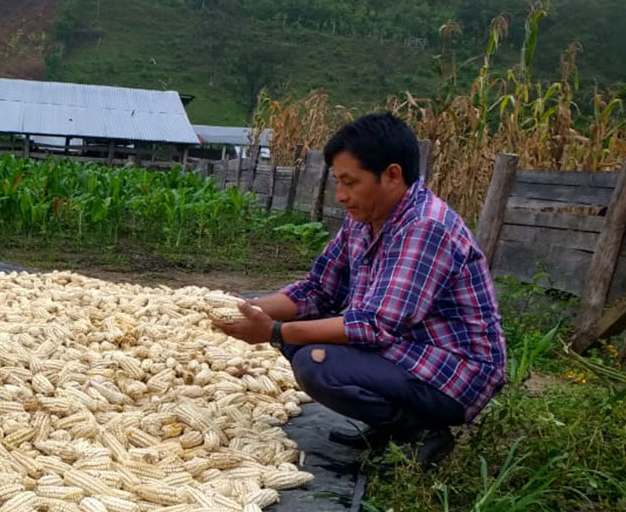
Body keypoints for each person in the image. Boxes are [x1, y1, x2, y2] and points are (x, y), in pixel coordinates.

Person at [213, 113, 506, 468]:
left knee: (316, 362)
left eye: (350, 183)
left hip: (452, 370)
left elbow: (374, 325)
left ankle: (424, 434)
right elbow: (318, 289)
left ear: (392, 175)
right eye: (338, 182)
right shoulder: (364, 221)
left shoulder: (425, 227)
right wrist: (243, 308)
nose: (341, 196)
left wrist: (271, 331)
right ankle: (387, 426)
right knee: (300, 335)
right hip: (407, 352)